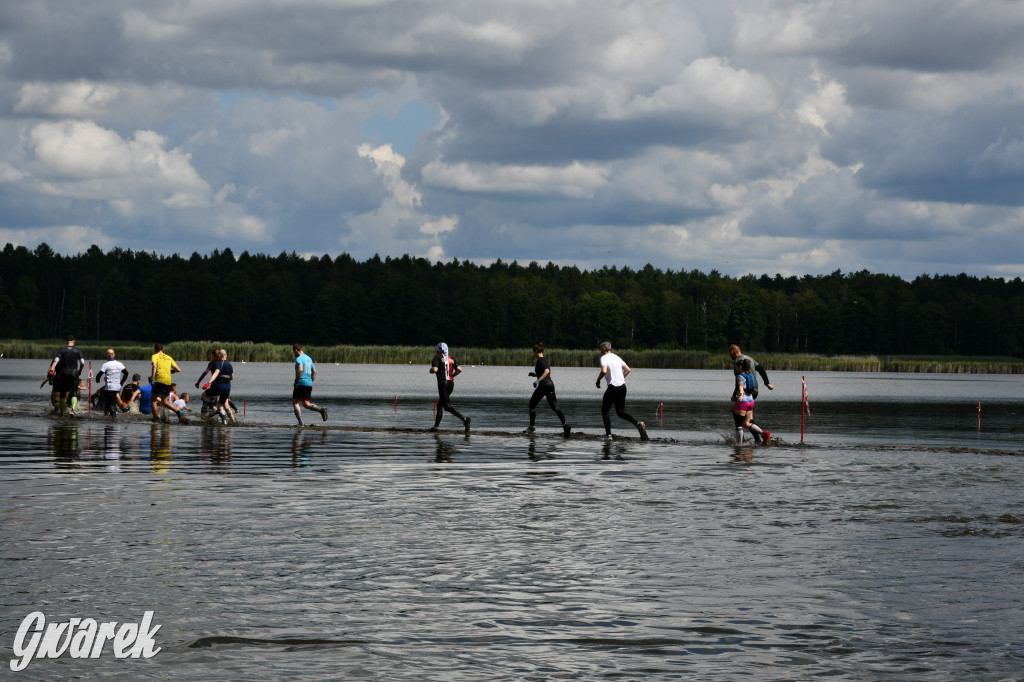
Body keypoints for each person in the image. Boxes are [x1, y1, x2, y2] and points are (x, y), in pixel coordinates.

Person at [596, 341, 648, 441]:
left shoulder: (604, 358)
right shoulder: (617, 357)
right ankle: (638, 424)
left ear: (603, 349)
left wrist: (598, 380)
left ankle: (608, 435)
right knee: (620, 412)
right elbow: (628, 369)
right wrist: (621, 379)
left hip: (613, 387)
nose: (600, 351)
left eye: (600, 349)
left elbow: (604, 371)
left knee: (604, 411)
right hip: (622, 387)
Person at [728, 344, 773, 443]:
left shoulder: (738, 362)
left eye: (729, 353)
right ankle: (760, 438)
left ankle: (741, 440)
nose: (729, 355)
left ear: (732, 351)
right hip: (753, 392)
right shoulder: (749, 358)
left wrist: (735, 395)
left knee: (739, 417)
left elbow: (739, 381)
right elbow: (761, 369)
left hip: (743, 393)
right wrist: (767, 383)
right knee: (747, 418)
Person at [526, 342, 571, 437]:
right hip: (550, 384)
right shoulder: (545, 359)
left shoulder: (540, 360)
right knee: (555, 407)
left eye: (533, 352)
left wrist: (538, 380)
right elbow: (545, 372)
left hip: (544, 385)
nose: (533, 354)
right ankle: (565, 425)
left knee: (532, 404)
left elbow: (547, 371)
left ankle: (531, 428)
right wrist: (535, 374)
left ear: (536, 351)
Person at [429, 342, 470, 433]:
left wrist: (430, 370)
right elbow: (459, 369)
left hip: (443, 384)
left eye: (437, 350)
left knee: (447, 406)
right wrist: (452, 375)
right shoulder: (451, 359)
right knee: (440, 404)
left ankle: (465, 419)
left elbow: (434, 369)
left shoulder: (437, 357)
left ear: (439, 351)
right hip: (451, 384)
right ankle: (436, 427)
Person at [47, 334, 84, 417]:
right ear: (74, 341)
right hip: (74, 373)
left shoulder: (61, 350)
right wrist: (80, 371)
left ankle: (62, 414)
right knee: (74, 393)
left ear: (66, 342)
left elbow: (56, 360)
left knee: (62, 394)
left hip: (63, 374)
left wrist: (51, 370)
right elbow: (82, 362)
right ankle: (73, 411)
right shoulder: (78, 350)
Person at [292, 344, 327, 427]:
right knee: (306, 403)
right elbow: (314, 371)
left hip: (300, 383)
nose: (294, 354)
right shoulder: (309, 358)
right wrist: (311, 381)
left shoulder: (299, 359)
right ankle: (321, 410)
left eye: (294, 352)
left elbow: (300, 370)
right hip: (309, 384)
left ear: (296, 350)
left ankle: (301, 424)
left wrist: (296, 381)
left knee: (296, 402)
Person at [150, 344, 185, 422]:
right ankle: (178, 411)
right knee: (164, 401)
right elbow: (178, 370)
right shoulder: (169, 357)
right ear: (163, 349)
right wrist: (170, 371)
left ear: (155, 350)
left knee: (153, 400)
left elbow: (154, 366)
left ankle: (156, 419)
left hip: (159, 380)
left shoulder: (155, 356)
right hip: (168, 381)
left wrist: (153, 378)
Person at [200, 349, 235, 424]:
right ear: (226, 355)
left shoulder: (220, 363)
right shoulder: (229, 364)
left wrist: (209, 382)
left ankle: (213, 407)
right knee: (221, 406)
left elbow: (215, 374)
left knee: (203, 395)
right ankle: (226, 423)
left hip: (219, 387)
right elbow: (232, 377)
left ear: (220, 356)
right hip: (228, 388)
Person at [98, 348, 128, 419]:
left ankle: (114, 417)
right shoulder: (120, 364)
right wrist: (122, 382)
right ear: (114, 355)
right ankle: (107, 414)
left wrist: (97, 380)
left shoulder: (106, 364)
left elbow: (99, 374)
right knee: (112, 400)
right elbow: (126, 373)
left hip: (109, 387)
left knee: (110, 402)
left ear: (107, 356)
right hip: (117, 387)